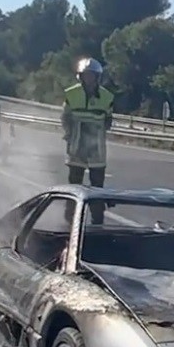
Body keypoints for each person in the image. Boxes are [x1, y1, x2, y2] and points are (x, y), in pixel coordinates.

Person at [61, 58, 114, 224]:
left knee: (97, 188)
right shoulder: (71, 94)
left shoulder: (107, 97)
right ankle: (70, 222)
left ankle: (98, 221)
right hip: (77, 146)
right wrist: (69, 133)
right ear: (81, 76)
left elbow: (108, 121)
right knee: (74, 187)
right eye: (86, 75)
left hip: (96, 149)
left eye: (92, 76)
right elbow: (65, 118)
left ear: (97, 77)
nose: (89, 79)